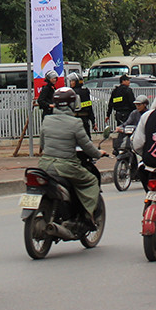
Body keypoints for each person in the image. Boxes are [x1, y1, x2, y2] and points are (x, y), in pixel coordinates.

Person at [37, 87, 108, 226]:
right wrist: (99, 153)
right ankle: (88, 214)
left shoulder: (47, 120)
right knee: (91, 180)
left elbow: (43, 144)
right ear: (72, 104)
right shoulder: (75, 123)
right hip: (65, 166)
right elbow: (87, 146)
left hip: (44, 165)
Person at [104, 74, 136, 140]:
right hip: (127, 114)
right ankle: (127, 144)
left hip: (118, 114)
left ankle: (120, 143)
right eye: (128, 80)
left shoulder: (115, 91)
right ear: (123, 81)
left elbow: (111, 104)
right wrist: (136, 113)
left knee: (120, 130)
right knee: (128, 130)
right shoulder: (128, 90)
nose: (129, 81)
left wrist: (108, 115)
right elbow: (132, 103)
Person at [67, 71, 96, 137]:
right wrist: (93, 121)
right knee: (87, 138)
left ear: (76, 82)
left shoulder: (71, 92)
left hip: (74, 119)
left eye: (72, 81)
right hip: (84, 119)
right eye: (71, 81)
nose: (71, 83)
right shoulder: (85, 91)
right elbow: (89, 107)